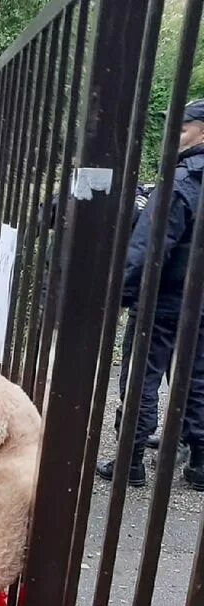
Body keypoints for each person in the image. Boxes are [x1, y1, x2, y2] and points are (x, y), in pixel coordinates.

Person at [99, 99, 204, 490]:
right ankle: (199, 463)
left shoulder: (178, 184)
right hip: (200, 302)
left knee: (143, 373)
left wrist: (121, 295)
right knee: (198, 375)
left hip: (163, 298)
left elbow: (147, 249)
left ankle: (132, 458)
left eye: (182, 128)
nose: (173, 136)